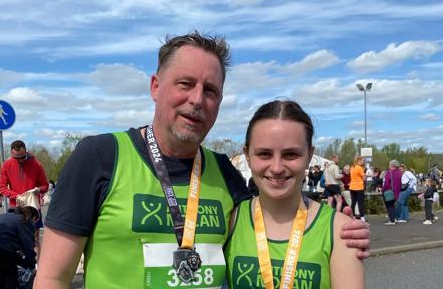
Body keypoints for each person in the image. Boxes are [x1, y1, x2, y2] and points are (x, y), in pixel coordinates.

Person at [35, 32, 370, 288]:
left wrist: (339, 226)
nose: (197, 99)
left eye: (210, 90)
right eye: (185, 84)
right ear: (155, 86)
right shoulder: (100, 156)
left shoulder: (222, 172)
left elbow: (272, 216)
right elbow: (52, 278)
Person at [224, 100, 364, 288]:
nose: (277, 168)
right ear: (247, 155)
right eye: (264, 154)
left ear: (309, 156)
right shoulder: (229, 220)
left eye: (291, 154)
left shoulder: (341, 230)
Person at [0, 140, 49, 258]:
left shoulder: (36, 165)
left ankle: (37, 267)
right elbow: (2, 188)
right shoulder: (6, 165)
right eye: (16, 158)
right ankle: (20, 267)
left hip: (33, 208)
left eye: (22, 157)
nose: (19, 160)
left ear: (26, 151)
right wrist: (15, 195)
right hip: (16, 208)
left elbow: (45, 185)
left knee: (34, 238)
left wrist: (37, 190)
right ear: (11, 154)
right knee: (16, 238)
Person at [0, 206, 39, 289]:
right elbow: (28, 247)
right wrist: (32, 266)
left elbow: (14, 252)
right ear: (34, 218)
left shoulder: (7, 216)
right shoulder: (25, 221)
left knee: (5, 270)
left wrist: (26, 263)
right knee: (11, 272)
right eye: (36, 222)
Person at [382, 160, 402, 226]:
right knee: (393, 206)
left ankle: (392, 220)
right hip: (397, 192)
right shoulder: (400, 172)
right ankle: (394, 218)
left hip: (389, 191)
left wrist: (383, 189)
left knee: (389, 206)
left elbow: (386, 184)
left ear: (392, 165)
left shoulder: (389, 173)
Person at [350, 155, 366, 222]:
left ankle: (352, 216)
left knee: (353, 203)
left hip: (352, 187)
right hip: (359, 187)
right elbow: (364, 178)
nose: (364, 161)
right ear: (359, 160)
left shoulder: (352, 167)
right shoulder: (359, 168)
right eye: (363, 160)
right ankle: (362, 218)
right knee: (360, 203)